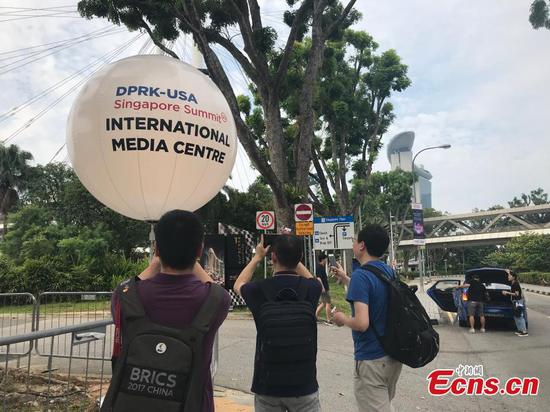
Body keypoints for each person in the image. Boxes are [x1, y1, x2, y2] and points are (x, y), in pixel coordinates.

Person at [105, 210, 230, 412]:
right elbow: (214, 288)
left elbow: (125, 287)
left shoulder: (126, 297)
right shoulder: (216, 300)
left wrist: (156, 260)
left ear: (156, 249)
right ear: (199, 251)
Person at [234, 235, 322, 412]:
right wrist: (294, 257)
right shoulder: (311, 289)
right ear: (301, 259)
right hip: (304, 384)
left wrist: (258, 256)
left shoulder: (258, 289)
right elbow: (315, 281)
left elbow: (239, 284)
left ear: (273, 257)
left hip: (268, 386)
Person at [330, 225, 402, 412]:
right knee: (385, 404)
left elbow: (362, 323)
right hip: (392, 355)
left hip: (372, 359)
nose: (353, 243)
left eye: (354, 241)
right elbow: (375, 293)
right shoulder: (388, 271)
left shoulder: (362, 276)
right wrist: (346, 279)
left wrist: (342, 318)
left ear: (361, 245)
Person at [502, 270, 528, 337]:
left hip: (518, 301)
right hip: (515, 301)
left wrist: (507, 293)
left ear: (513, 277)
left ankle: (524, 332)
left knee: (519, 316)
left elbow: (517, 294)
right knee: (516, 316)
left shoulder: (516, 284)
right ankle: (520, 330)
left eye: (509, 276)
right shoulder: (513, 282)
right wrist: (508, 271)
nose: (508, 277)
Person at [315, 253, 332, 324]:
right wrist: (322, 288)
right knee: (328, 303)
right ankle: (328, 320)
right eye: (325, 259)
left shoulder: (322, 267)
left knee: (323, 303)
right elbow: (318, 278)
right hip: (323, 288)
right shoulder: (319, 267)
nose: (326, 260)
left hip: (325, 287)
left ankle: (314, 316)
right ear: (322, 259)